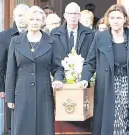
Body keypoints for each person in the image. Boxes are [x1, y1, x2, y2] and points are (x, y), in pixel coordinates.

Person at [80, 4, 129, 135]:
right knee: (110, 121)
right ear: (108, 19)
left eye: (118, 17)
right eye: (112, 17)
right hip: (107, 85)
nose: (115, 21)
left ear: (125, 19)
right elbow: (90, 62)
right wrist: (85, 78)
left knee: (128, 120)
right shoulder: (100, 37)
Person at [5, 6, 64, 135]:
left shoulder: (51, 42)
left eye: (38, 19)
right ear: (27, 20)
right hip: (21, 95)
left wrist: (58, 79)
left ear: (43, 21)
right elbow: (11, 71)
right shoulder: (15, 42)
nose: (35, 22)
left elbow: (58, 67)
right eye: (32, 19)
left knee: (44, 129)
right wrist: (10, 97)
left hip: (44, 95)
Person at [51, 2, 95, 132]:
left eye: (76, 13)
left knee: (82, 119)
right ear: (64, 15)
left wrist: (85, 77)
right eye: (70, 13)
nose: (73, 16)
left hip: (83, 81)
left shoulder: (90, 34)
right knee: (62, 121)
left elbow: (92, 58)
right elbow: (53, 58)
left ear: (80, 15)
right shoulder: (55, 33)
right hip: (60, 81)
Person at [0, 4, 29, 133]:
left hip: (31, 84)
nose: (22, 19)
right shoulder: (5, 36)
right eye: (19, 15)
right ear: (14, 17)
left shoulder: (38, 35)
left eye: (24, 15)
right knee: (14, 122)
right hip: (13, 85)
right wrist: (0, 88)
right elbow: (0, 63)